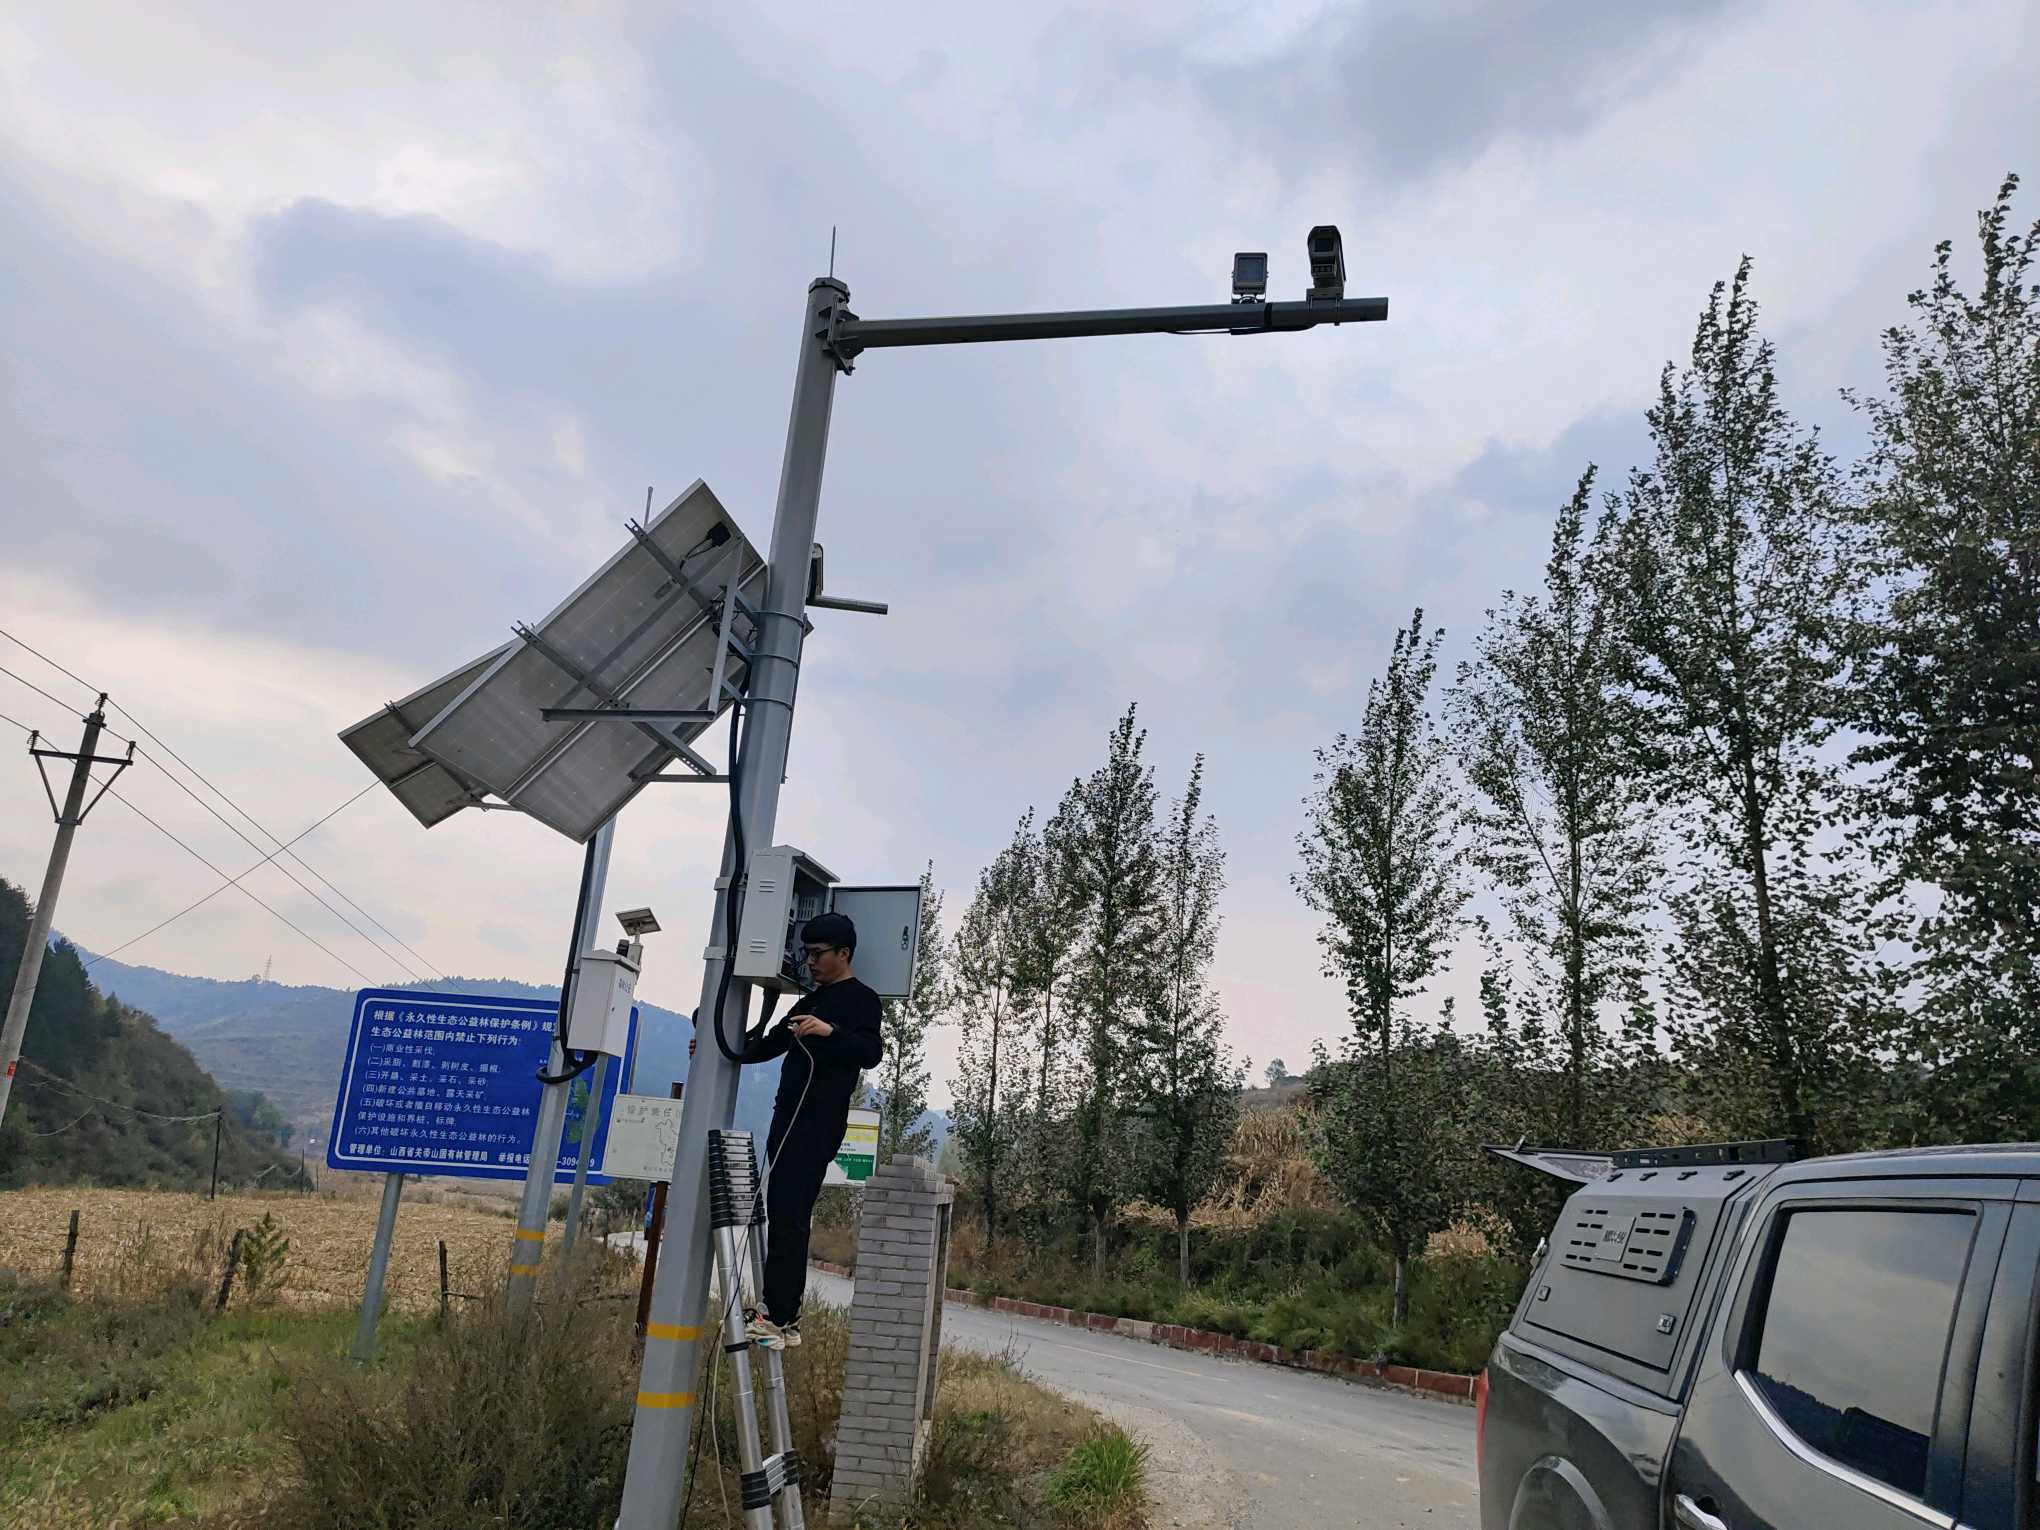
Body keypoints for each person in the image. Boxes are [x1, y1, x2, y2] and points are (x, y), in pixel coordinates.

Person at [737, 910, 883, 1349]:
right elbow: (771, 1043)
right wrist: (719, 1048)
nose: (811, 962)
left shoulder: (861, 999)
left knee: (790, 1215)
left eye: (819, 954)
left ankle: (777, 1316)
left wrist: (830, 1032)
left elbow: (870, 1051)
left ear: (844, 953)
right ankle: (783, 1314)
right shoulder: (808, 1002)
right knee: (784, 1212)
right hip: (787, 1118)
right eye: (807, 954)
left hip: (816, 1122)